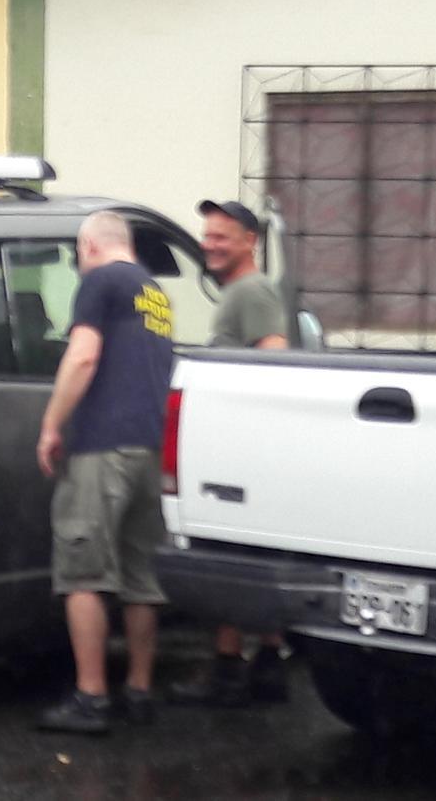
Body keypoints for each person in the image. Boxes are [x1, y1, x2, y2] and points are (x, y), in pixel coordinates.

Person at [34, 211, 175, 734]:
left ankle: (91, 698)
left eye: (78, 251)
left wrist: (52, 425)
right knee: (140, 576)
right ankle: (139, 690)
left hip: (102, 446)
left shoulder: (100, 282)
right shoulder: (153, 292)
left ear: (90, 244)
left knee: (84, 570)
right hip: (149, 448)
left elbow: (84, 357)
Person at [166, 199, 289, 708]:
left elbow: (275, 357)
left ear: (249, 242)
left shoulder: (254, 291)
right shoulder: (239, 291)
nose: (210, 245)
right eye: (208, 236)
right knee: (243, 554)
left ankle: (232, 669)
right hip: (239, 443)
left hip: (244, 447)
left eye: (222, 237)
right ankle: (260, 665)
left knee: (231, 556)